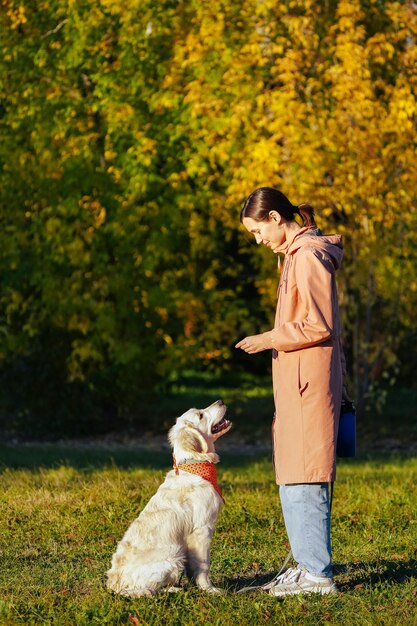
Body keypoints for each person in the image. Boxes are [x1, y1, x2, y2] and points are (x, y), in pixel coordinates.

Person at [236, 187, 348, 597]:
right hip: (300, 384)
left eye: (256, 231)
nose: (257, 239)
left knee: (305, 475)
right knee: (295, 474)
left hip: (307, 385)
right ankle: (306, 568)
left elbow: (320, 325)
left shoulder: (307, 257)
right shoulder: (294, 257)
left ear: (276, 219)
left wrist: (268, 338)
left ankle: (316, 575)